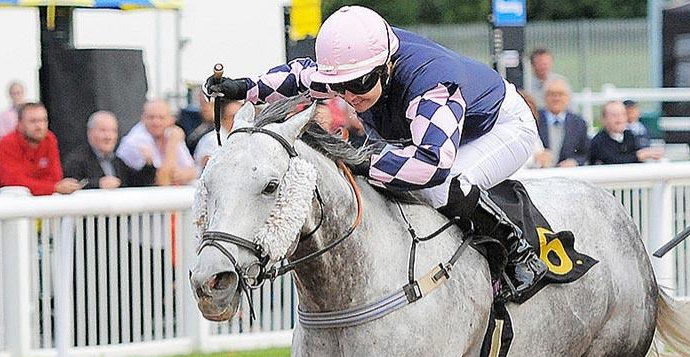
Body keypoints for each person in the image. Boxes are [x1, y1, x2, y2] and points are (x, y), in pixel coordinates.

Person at [205, 5, 547, 299]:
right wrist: (242, 88)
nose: (349, 95)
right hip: (426, 135)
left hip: (501, 127)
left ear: (386, 66)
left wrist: (364, 160)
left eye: (359, 85)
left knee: (442, 187)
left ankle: (517, 251)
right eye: (340, 86)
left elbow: (433, 165)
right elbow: (298, 77)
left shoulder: (430, 85)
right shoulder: (358, 69)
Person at [0, 103, 80, 196]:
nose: (39, 126)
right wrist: (53, 187)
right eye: (33, 121)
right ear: (19, 124)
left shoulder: (49, 139)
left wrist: (53, 187)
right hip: (1, 201)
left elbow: (55, 177)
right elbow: (11, 182)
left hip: (39, 199)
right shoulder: (7, 143)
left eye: (43, 120)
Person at [117, 99, 200, 186]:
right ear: (143, 118)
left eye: (161, 117)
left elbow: (194, 171)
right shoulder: (134, 141)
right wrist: (171, 144)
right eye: (151, 117)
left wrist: (183, 174)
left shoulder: (169, 133)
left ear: (170, 120)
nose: (156, 122)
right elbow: (162, 181)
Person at [64, 111, 147, 188]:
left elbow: (136, 183)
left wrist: (148, 165)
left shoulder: (119, 160)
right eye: (103, 130)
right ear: (90, 133)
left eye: (113, 131)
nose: (109, 136)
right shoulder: (76, 160)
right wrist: (98, 183)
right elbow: (71, 186)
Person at [533, 78, 588, 168]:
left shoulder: (579, 123)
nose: (556, 98)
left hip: (568, 175)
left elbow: (584, 153)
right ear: (544, 97)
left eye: (561, 94)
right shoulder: (534, 120)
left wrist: (574, 162)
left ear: (568, 97)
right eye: (552, 94)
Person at [587, 100, 662, 165]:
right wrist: (639, 155)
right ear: (604, 119)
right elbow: (613, 161)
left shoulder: (629, 135)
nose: (619, 119)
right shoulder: (598, 142)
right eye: (614, 115)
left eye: (623, 114)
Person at [191, 100, 243, 168]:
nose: (238, 120)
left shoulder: (243, 137)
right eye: (234, 116)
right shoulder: (212, 139)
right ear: (224, 118)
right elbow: (207, 163)